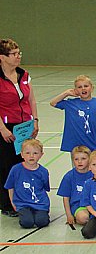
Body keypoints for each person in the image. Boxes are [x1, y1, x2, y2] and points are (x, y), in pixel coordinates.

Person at [0, 39, 39, 218]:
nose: (18, 57)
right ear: (2, 57)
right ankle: (6, 203)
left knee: (22, 163)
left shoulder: (23, 74)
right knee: (7, 165)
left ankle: (23, 200)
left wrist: (35, 120)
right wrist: (2, 128)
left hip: (24, 126)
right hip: (6, 127)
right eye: (14, 54)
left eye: (19, 53)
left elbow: (31, 99)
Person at [50, 75, 96, 153]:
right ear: (76, 90)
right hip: (75, 147)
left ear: (92, 88)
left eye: (86, 86)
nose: (83, 89)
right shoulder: (70, 103)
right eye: (79, 87)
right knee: (78, 165)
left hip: (91, 145)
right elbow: (53, 103)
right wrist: (66, 93)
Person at [4, 139, 49, 228]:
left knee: (42, 222)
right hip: (22, 204)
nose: (31, 156)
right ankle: (26, 215)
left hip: (40, 203)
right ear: (22, 154)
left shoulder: (43, 171)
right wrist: (13, 203)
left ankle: (41, 214)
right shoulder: (15, 169)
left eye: (35, 153)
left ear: (41, 155)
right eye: (27, 153)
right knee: (27, 223)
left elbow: (45, 188)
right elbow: (10, 187)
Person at [58, 146, 93, 226]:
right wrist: (69, 215)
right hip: (78, 205)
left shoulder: (94, 174)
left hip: (94, 204)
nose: (79, 162)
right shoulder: (69, 176)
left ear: (89, 160)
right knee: (83, 218)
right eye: (76, 159)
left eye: (83, 159)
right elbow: (66, 198)